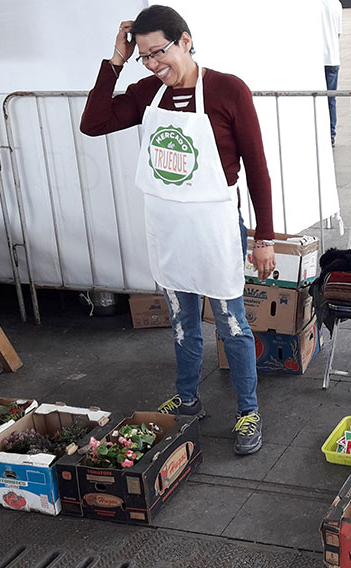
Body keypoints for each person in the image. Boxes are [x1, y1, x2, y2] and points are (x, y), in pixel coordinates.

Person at [79, 5, 276, 455]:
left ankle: (248, 410)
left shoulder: (229, 90)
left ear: (185, 40)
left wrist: (263, 238)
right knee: (183, 325)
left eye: (158, 52)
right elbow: (93, 124)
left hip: (215, 226)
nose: (152, 64)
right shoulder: (147, 91)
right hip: (167, 226)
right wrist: (115, 64)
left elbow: (257, 168)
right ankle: (187, 400)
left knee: (232, 324)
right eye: (144, 55)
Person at [320, 0, 342, 146]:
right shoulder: (337, 4)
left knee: (316, 99)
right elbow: (338, 33)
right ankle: (331, 134)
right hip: (333, 58)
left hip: (318, 60)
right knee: (331, 99)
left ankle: (320, 132)